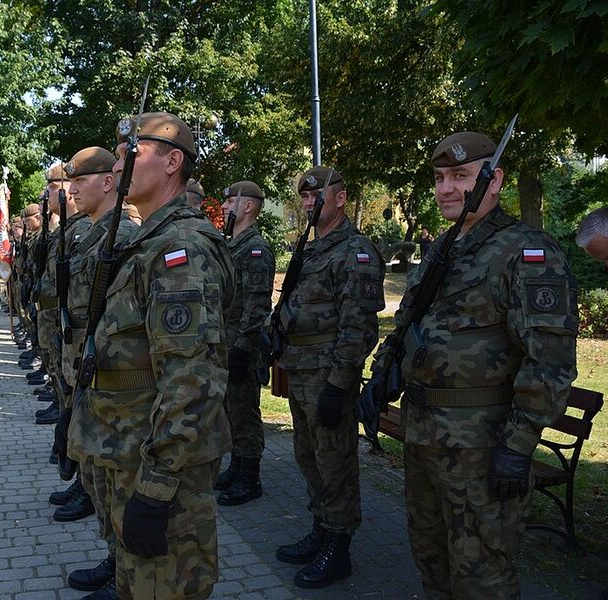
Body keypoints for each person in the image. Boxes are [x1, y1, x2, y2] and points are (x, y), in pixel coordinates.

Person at [378, 132, 578, 599]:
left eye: (461, 177)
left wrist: (519, 444)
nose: (446, 188)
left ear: (493, 180)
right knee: (432, 563)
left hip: (483, 446)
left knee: (481, 576)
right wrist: (384, 376)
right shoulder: (442, 250)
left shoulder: (526, 253)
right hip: (425, 435)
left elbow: (549, 361)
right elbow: (410, 322)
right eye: (440, 177)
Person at [67, 112, 235, 600]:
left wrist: (157, 487)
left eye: (130, 155)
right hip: (129, 449)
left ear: (172, 162)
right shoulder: (148, 243)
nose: (117, 168)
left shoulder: (179, 249)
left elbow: (193, 379)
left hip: (159, 466)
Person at [274, 166, 384, 588]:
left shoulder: (354, 251)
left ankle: (338, 544)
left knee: (334, 460)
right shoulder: (311, 248)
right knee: (308, 454)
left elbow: (358, 328)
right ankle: (321, 527)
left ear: (340, 198)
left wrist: (339, 385)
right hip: (300, 367)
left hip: (327, 373)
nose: (308, 203)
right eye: (304, 197)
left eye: (317, 196)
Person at [60, 146, 141, 599]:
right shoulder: (91, 233)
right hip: (86, 366)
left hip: (113, 377)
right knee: (95, 475)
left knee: (112, 481)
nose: (71, 190)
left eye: (81, 180)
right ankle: (114, 560)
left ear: (108, 182)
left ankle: (122, 571)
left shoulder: (124, 234)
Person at [214, 181, 276, 506]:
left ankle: (250, 478)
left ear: (248, 207)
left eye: (229, 202)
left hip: (241, 347)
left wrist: (242, 347)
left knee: (245, 413)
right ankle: (237, 466)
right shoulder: (232, 244)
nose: (224, 207)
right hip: (226, 342)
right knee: (230, 410)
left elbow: (257, 305)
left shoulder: (255, 249)